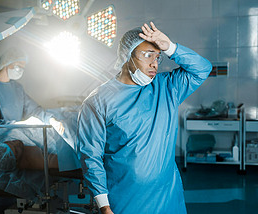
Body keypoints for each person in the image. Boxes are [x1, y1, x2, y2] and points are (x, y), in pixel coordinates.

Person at [77, 21, 212, 214]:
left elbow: (202, 69)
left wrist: (171, 48)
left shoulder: (167, 88)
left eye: (158, 57)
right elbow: (91, 156)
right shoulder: (99, 101)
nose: (154, 64)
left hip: (167, 197)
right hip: (125, 199)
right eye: (148, 55)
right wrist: (104, 205)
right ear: (126, 56)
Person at [0, 48, 64, 134]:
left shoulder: (17, 88)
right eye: (18, 66)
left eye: (23, 68)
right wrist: (21, 125)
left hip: (15, 136)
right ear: (6, 63)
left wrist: (51, 119)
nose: (21, 70)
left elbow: (34, 110)